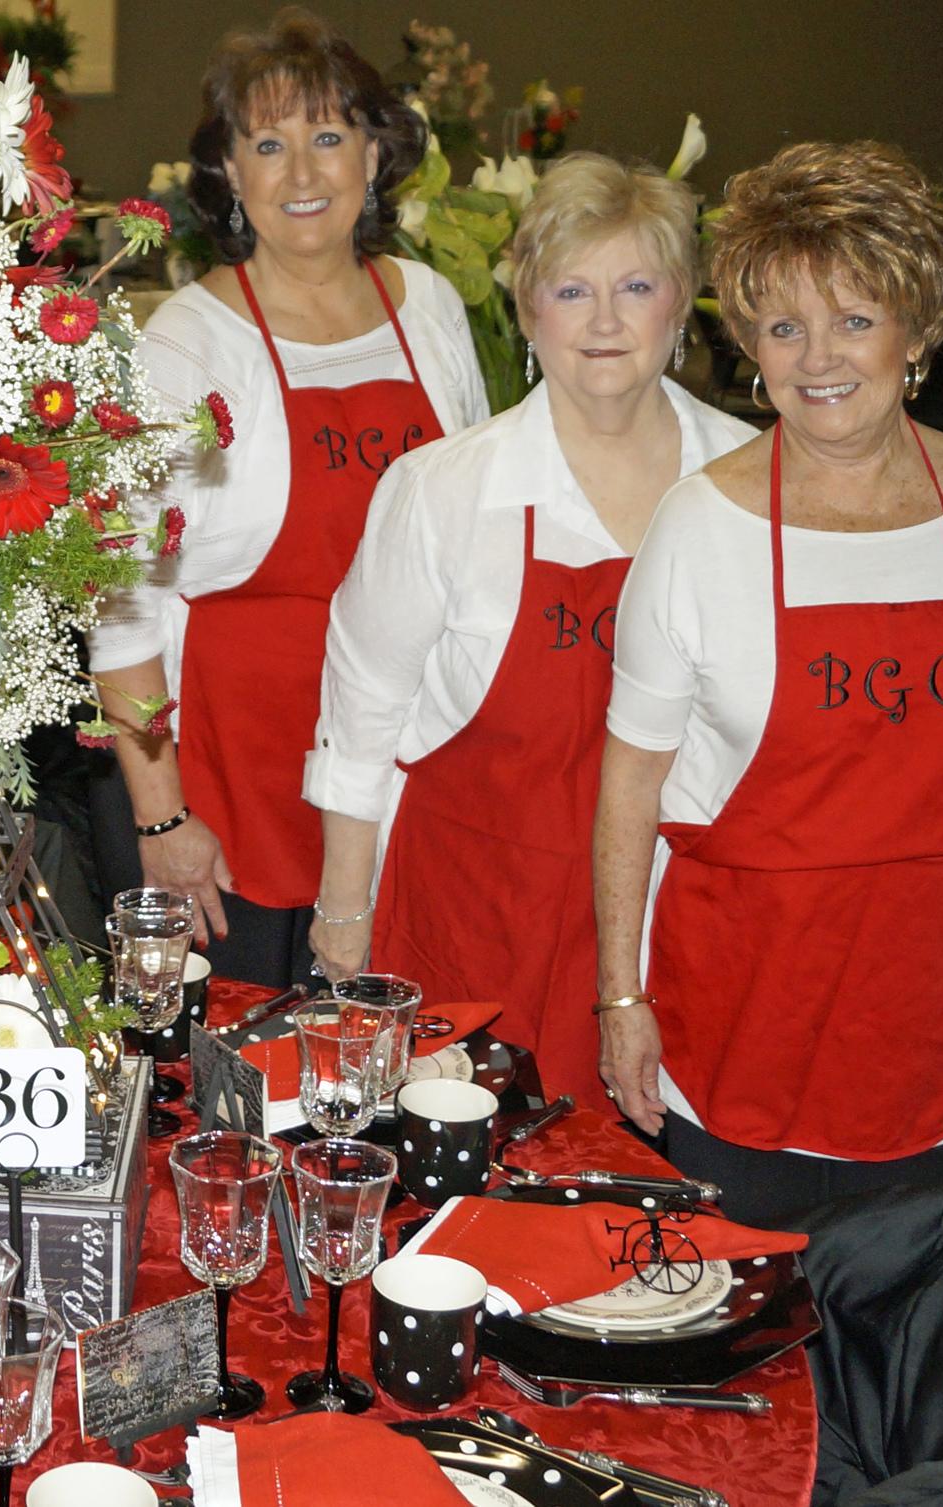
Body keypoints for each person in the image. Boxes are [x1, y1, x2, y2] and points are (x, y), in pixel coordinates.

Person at [594, 142, 943, 1222]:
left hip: (930, 990)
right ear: (747, 345)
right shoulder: (697, 527)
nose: (817, 356)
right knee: (750, 1317)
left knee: (892, 1307)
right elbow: (629, 784)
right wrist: (621, 997)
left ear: (915, 331)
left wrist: (905, 815)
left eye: (855, 319)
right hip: (741, 992)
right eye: (783, 325)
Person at [303, 155, 751, 1109]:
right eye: (571, 289)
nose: (603, 321)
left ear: (682, 308)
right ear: (527, 309)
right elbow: (362, 706)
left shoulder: (747, 483)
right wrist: (345, 915)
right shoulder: (443, 488)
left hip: (668, 919)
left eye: (637, 287)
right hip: (472, 912)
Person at [91, 8, 487, 986]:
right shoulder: (184, 345)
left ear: (374, 153)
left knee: (393, 1060)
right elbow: (116, 601)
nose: (302, 175)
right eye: (268, 144)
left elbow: (482, 528)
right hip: (238, 782)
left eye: (326, 137)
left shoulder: (430, 306)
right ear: (228, 170)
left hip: (407, 759)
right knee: (243, 1088)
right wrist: (163, 815)